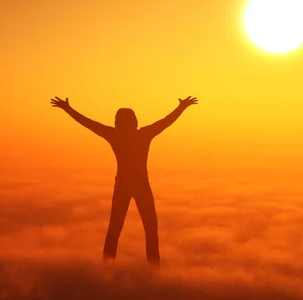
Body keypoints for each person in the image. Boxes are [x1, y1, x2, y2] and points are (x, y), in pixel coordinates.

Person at [50, 96, 198, 269]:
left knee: (115, 229)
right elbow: (166, 121)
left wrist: (68, 109)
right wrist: (181, 107)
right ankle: (154, 271)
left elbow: (88, 123)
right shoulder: (143, 134)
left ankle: (108, 269)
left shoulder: (115, 135)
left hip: (123, 186)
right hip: (141, 185)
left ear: (118, 123)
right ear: (134, 122)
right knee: (149, 230)